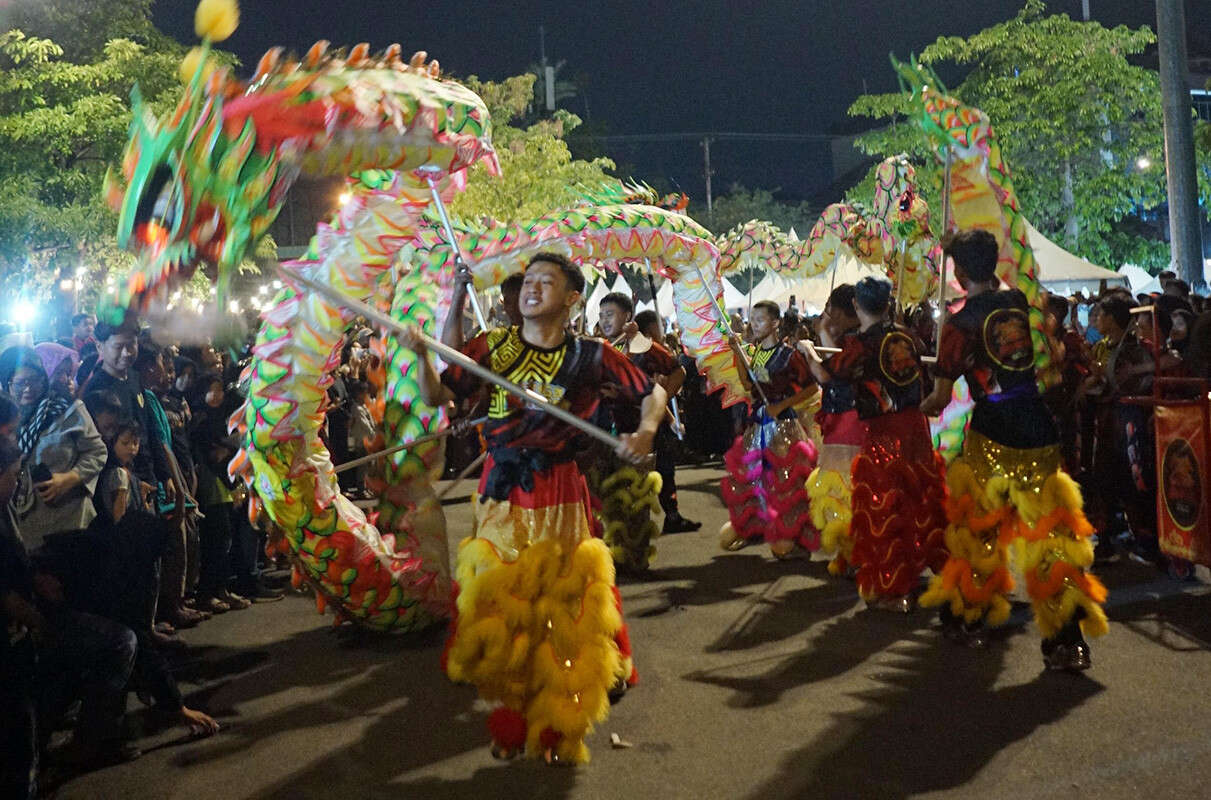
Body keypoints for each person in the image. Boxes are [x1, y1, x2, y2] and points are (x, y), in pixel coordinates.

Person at [406, 252, 666, 764]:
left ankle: (558, 725)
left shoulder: (590, 356)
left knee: (559, 608)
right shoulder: (493, 348)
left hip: (560, 491)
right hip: (500, 490)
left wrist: (646, 429)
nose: (531, 288)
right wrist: (421, 354)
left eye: (546, 282)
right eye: (528, 281)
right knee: (504, 607)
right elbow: (439, 392)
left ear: (572, 299)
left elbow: (654, 390)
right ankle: (514, 714)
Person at [919, 229, 1106, 671]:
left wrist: (920, 405)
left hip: (993, 432)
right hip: (1038, 427)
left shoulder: (959, 326)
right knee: (1052, 539)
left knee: (979, 532)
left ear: (959, 272)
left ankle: (971, 619)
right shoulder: (1019, 304)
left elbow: (941, 399)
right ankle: (1068, 640)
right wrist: (958, 252)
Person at [809, 279, 947, 611]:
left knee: (884, 504)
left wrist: (816, 344)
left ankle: (896, 588)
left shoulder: (862, 344)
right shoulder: (907, 337)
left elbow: (831, 376)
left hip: (885, 430)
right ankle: (932, 568)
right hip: (916, 426)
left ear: (857, 306)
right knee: (919, 495)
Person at [719, 300, 819, 558]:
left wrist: (782, 404)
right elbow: (748, 383)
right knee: (755, 478)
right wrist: (736, 352)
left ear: (775, 323)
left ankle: (793, 536)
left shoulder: (789, 354)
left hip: (783, 426)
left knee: (786, 482)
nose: (754, 324)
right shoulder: (754, 353)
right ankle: (758, 528)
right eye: (753, 320)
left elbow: (810, 388)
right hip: (759, 424)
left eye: (760, 320)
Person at [1, 348, 108, 550]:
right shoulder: (5, 417)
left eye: (35, 380)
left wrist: (71, 478)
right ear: (7, 383)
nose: (28, 388)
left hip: (68, 521)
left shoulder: (68, 408)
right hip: (21, 526)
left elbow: (98, 451)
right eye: (19, 383)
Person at [805, 285, 866, 576]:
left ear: (841, 312)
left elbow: (827, 375)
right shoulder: (850, 339)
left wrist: (808, 352)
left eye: (829, 309)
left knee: (845, 486)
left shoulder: (857, 341)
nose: (825, 316)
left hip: (849, 421)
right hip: (844, 420)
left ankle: (856, 552)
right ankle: (849, 550)